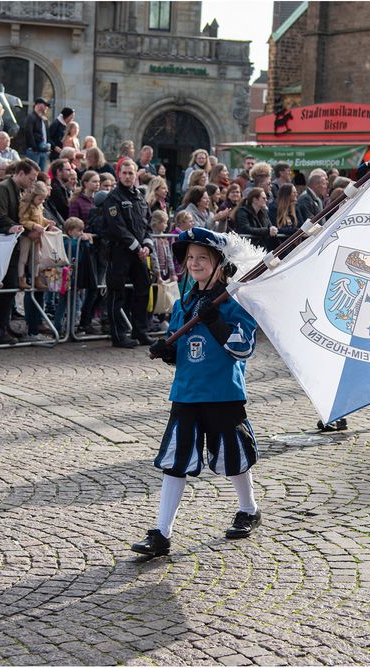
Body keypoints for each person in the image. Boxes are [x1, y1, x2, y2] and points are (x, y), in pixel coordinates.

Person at [135, 227, 261, 557]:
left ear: (220, 263)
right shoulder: (183, 303)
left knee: (232, 457)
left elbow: (243, 348)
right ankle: (162, 533)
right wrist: (168, 352)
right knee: (176, 462)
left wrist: (217, 321)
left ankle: (249, 509)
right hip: (187, 394)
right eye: (190, 258)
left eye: (202, 258)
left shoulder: (234, 301)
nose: (194, 263)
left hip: (223, 393)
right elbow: (186, 350)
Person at [103, 159, 154, 348]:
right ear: (119, 174)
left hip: (139, 253)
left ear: (136, 175)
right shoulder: (113, 198)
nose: (127, 176)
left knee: (143, 288)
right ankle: (119, 335)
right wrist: (136, 246)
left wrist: (147, 245)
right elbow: (117, 227)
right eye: (124, 173)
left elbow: (147, 225)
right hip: (119, 252)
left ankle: (140, 331)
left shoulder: (140, 197)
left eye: (130, 173)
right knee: (117, 292)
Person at [0, 159, 38, 344]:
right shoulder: (3, 188)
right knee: (7, 285)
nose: (33, 182)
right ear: (20, 174)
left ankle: (4, 324)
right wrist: (20, 228)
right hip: (4, 241)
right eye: (31, 178)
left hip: (13, 242)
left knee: (11, 287)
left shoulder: (20, 190)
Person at [17, 180, 51, 291]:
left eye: (43, 199)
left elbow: (40, 218)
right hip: (27, 235)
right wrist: (35, 226)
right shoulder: (25, 205)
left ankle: (36, 279)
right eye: (40, 199)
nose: (42, 201)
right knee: (24, 257)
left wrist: (47, 222)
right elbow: (23, 220)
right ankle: (21, 278)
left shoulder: (39, 206)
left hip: (37, 236)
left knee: (37, 258)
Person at [23, 98, 51, 173]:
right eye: (44, 105)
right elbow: (28, 133)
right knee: (33, 172)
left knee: (42, 173)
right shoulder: (31, 117)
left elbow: (47, 135)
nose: (46, 108)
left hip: (43, 151)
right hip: (34, 151)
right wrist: (34, 147)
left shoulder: (44, 120)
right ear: (38, 105)